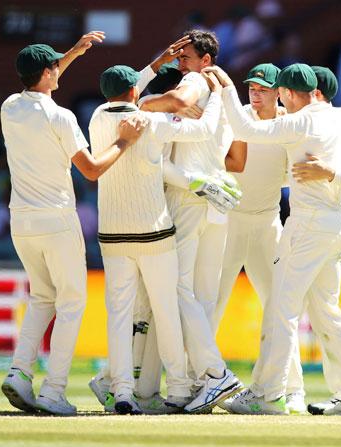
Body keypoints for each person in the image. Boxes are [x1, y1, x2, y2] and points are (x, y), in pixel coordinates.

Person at [205, 63, 341, 415]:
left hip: (306, 227)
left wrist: (225, 85)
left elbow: (244, 127)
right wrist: (334, 162)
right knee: (326, 312)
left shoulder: (299, 122)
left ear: (285, 93)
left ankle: (269, 394)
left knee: (280, 310)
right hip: (335, 227)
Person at [0, 32, 147, 416]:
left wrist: (73, 54)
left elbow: (41, 78)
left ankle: (19, 372)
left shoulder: (9, 107)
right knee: (70, 303)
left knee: (41, 298)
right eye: (55, 66)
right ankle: (53, 390)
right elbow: (92, 170)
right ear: (47, 73)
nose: (57, 69)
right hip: (57, 220)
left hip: (23, 222)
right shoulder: (61, 116)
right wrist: (124, 141)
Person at [88, 63, 228, 414]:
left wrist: (149, 72)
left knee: (119, 316)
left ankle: (122, 391)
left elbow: (130, 95)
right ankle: (179, 388)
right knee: (167, 311)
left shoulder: (95, 118)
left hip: (113, 235)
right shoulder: (152, 123)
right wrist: (216, 96)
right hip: (153, 233)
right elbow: (206, 129)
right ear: (135, 91)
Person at [139, 30, 243, 413]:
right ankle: (200, 382)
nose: (180, 61)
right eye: (179, 55)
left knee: (177, 290)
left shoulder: (195, 83)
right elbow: (236, 159)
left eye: (186, 55)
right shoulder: (220, 95)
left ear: (206, 61)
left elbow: (176, 104)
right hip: (215, 201)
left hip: (190, 196)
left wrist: (153, 103)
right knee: (201, 297)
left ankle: (215, 374)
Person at [213, 63, 307, 414]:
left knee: (280, 310)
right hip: (231, 221)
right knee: (212, 301)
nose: (255, 92)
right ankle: (201, 382)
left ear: (279, 91)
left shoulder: (289, 124)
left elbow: (289, 174)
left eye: (263, 88)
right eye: (252, 87)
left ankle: (292, 389)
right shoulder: (238, 119)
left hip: (268, 224)